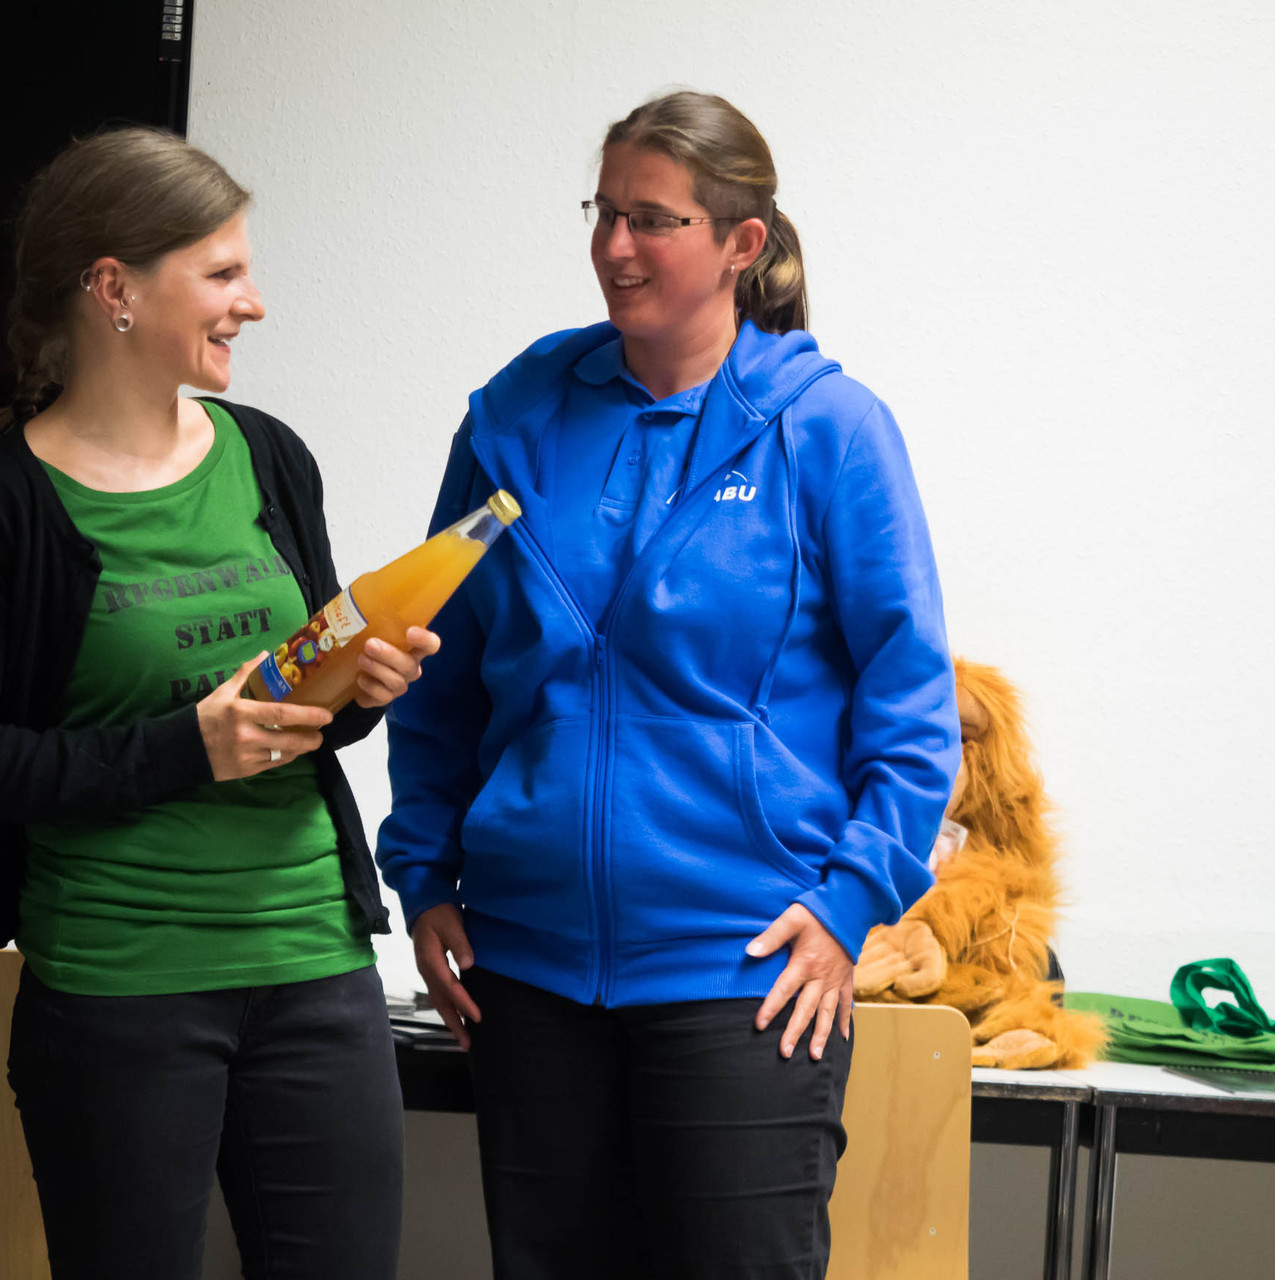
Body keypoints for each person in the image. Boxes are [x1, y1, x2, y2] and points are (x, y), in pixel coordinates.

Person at [376, 91, 960, 1279]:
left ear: (740, 244)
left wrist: (850, 902)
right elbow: (438, 667)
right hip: (525, 970)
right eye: (603, 213)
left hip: (742, 971)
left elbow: (911, 707)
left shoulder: (829, 432)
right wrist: (425, 865)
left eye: (653, 219)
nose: (613, 247)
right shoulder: (514, 416)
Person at [0, 127, 430, 1280]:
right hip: (121, 991)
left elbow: (293, 693)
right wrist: (183, 746)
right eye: (223, 274)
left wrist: (357, 687)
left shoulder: (270, 457)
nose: (255, 303)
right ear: (113, 288)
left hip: (315, 965)